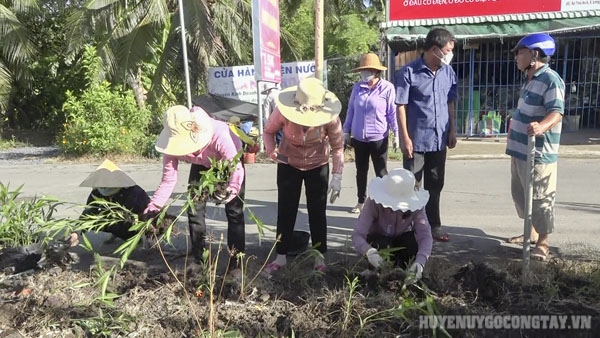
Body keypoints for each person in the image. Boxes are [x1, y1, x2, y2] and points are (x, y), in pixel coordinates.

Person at [143, 105, 246, 264]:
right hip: (202, 165)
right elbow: (169, 179)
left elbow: (236, 168)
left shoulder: (219, 134)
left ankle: (236, 262)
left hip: (229, 164)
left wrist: (231, 190)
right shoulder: (171, 144)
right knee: (194, 208)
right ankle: (200, 259)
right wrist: (153, 208)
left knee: (234, 212)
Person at [262, 77, 344, 273]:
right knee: (286, 210)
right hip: (289, 163)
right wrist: (271, 150)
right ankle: (281, 255)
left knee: (317, 212)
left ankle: (319, 255)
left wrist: (337, 175)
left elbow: (338, 146)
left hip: (318, 165)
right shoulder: (284, 111)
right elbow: (268, 131)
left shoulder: (330, 116)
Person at [395, 27, 458, 242]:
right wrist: (404, 138)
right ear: (434, 49)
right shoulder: (408, 72)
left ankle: (434, 225)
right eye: (448, 49)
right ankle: (408, 228)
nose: (450, 54)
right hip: (416, 140)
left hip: (439, 140)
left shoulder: (448, 72)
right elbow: (400, 106)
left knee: (435, 183)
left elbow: (450, 102)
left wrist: (452, 129)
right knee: (412, 185)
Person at [505, 33, 565, 261]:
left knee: (540, 198)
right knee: (521, 195)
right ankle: (530, 232)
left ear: (535, 54)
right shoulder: (531, 79)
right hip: (520, 150)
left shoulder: (551, 79)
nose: (516, 57)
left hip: (538, 153)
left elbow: (556, 112)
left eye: (519, 52)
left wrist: (541, 127)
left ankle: (543, 242)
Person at [353, 168, 432, 283]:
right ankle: (378, 273)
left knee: (411, 243)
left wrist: (420, 262)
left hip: (400, 239)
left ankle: (407, 272)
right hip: (378, 242)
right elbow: (358, 234)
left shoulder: (416, 206)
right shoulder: (373, 203)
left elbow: (425, 235)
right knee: (382, 244)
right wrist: (369, 251)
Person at [344, 52, 399, 214]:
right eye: (363, 70)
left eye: (368, 70)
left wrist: (396, 133)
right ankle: (361, 201)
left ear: (376, 71)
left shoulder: (387, 88)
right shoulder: (357, 88)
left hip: (379, 137)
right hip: (360, 138)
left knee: (381, 172)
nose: (364, 73)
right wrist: (346, 131)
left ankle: (385, 202)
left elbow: (392, 112)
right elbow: (351, 111)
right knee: (361, 171)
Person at [79, 159, 150, 242]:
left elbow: (139, 214)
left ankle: (136, 236)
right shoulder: (97, 192)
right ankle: (117, 233)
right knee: (97, 220)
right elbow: (89, 212)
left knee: (126, 226)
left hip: (134, 220)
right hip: (115, 219)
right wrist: (77, 231)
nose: (104, 187)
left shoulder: (133, 192)